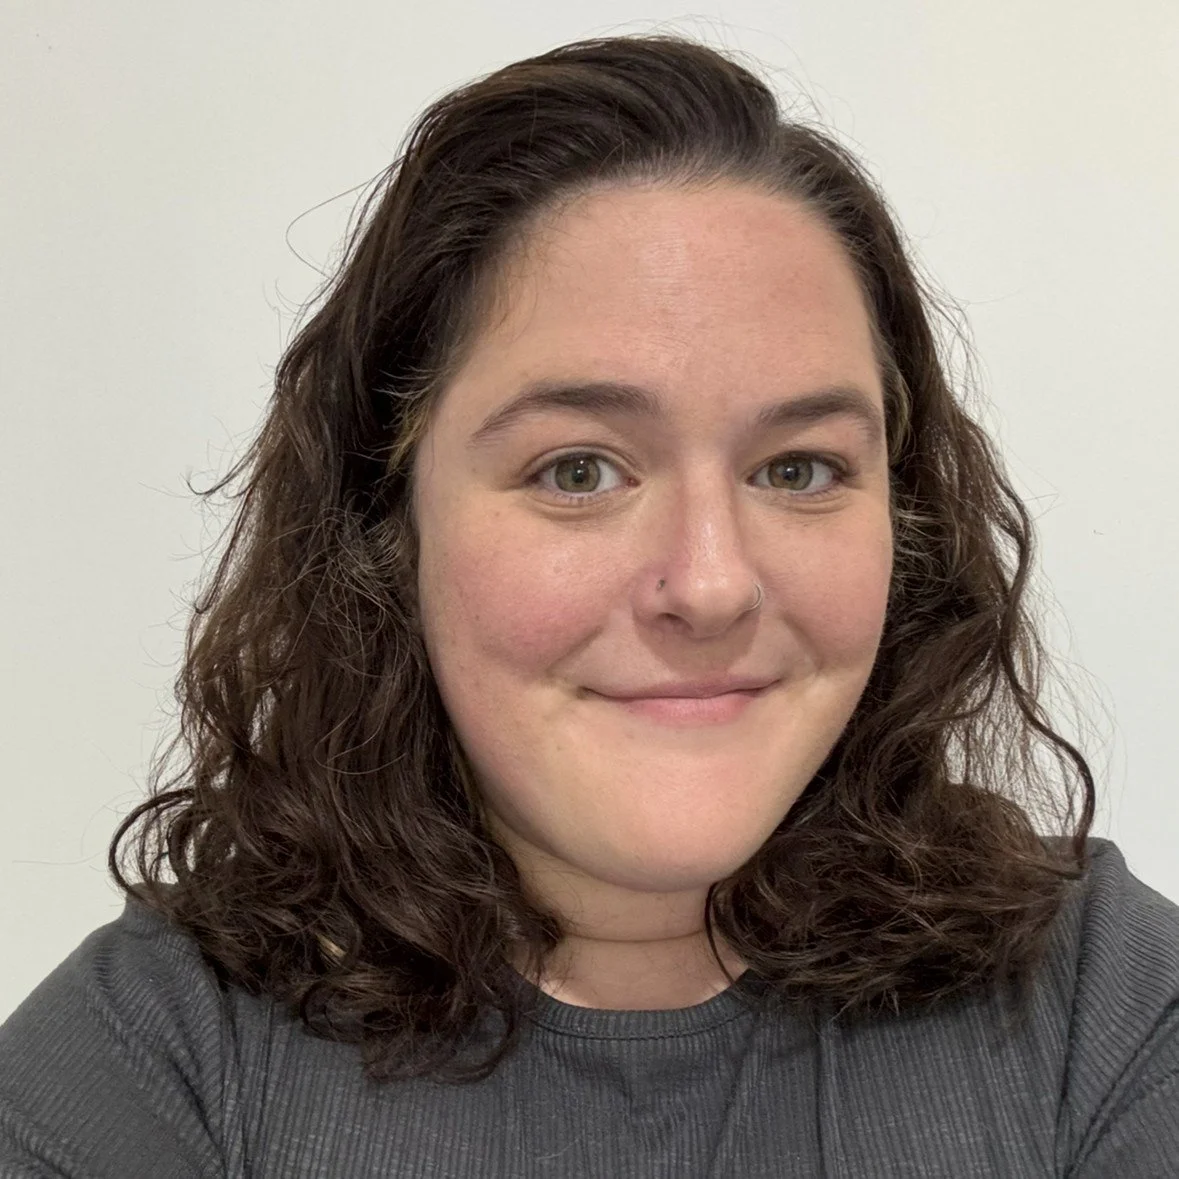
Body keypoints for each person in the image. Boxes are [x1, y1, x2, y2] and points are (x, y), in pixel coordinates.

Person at [1, 32, 1176, 1178]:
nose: (710, 583)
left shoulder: (1099, 1011)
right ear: (384, 522)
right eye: (578, 470)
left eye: (798, 468)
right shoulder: (156, 1062)